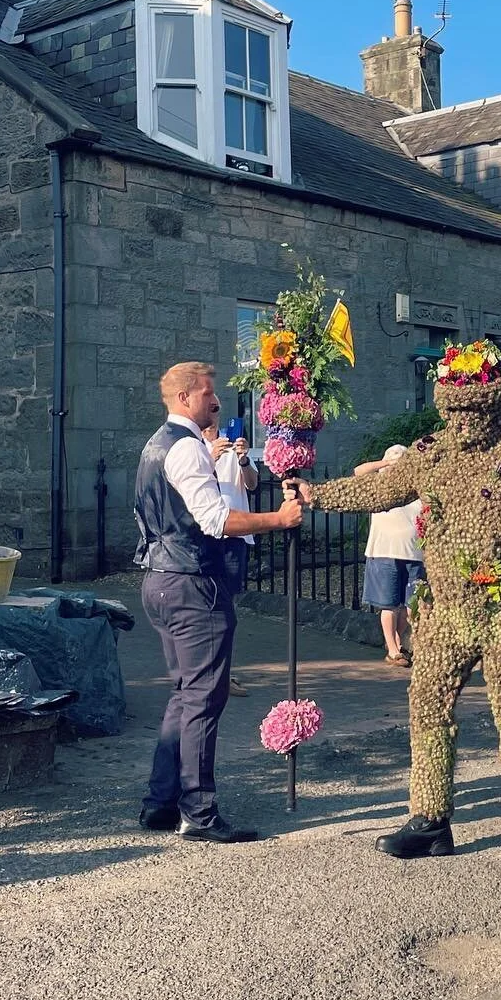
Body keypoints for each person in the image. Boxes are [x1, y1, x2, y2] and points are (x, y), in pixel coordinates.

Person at [297, 346, 501, 876]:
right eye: (453, 411)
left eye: (473, 411)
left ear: (495, 404)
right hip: (442, 616)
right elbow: (380, 487)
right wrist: (316, 495)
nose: (463, 421)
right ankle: (431, 819)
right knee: (427, 712)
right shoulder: (431, 454)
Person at [134, 361, 302, 843]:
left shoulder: (155, 445)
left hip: (162, 578)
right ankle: (198, 812)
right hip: (191, 585)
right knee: (205, 698)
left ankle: (160, 803)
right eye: (209, 394)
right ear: (186, 398)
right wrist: (279, 519)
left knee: (185, 695)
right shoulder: (185, 448)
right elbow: (216, 520)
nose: (217, 402)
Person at [201, 419, 260, 697]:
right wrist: (209, 456)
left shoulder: (235, 451)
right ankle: (205, 673)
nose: (213, 428)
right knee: (203, 604)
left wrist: (245, 459)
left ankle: (222, 674)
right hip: (205, 535)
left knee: (226, 607)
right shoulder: (194, 449)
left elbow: (252, 485)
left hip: (235, 535)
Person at [356, 444, 425, 666]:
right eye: (393, 458)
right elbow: (358, 472)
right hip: (384, 550)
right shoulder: (378, 485)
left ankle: (394, 640)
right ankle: (393, 650)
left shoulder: (416, 486)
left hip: (414, 552)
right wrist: (385, 464)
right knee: (388, 604)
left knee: (410, 605)